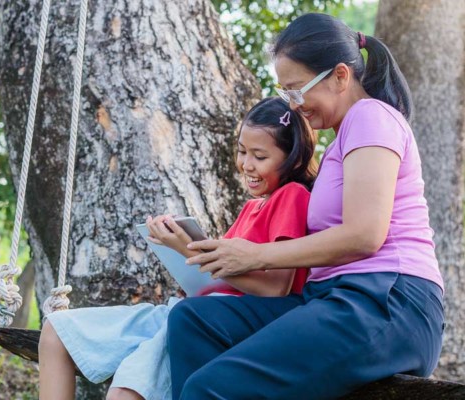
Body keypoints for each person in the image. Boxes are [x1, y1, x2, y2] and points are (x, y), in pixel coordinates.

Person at [167, 12, 445, 400]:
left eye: (297, 90)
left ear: (341, 76)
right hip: (333, 299)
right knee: (193, 321)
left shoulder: (371, 117)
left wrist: (255, 255)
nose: (293, 104)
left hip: (388, 301)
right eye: (285, 94)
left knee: (209, 389)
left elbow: (366, 235)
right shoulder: (341, 141)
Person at [38, 97, 317, 400]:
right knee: (56, 331)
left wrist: (188, 249)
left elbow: (276, 288)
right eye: (241, 151)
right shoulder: (251, 208)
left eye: (259, 156)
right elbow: (221, 279)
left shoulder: (293, 196)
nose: (246, 164)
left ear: (294, 159)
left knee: (123, 394)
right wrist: (179, 252)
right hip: (189, 312)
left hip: (210, 324)